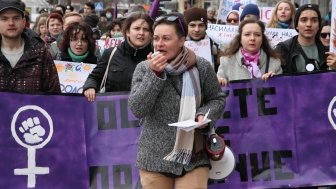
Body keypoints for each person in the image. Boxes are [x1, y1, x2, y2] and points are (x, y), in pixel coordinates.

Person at [128, 12, 226, 189]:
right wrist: (154, 75)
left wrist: (203, 115)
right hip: (154, 156)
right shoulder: (144, 68)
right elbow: (137, 109)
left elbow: (217, 99)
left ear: (182, 40)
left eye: (166, 38)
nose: (159, 44)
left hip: (193, 155)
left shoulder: (201, 66)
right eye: (156, 38)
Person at [83, 12, 153, 101]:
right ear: (127, 32)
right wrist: (90, 87)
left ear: (151, 34)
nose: (141, 33)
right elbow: (94, 77)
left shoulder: (155, 58)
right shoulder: (111, 53)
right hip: (114, 111)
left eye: (146, 29)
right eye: (137, 28)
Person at [0, 0, 60, 93]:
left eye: (16, 18)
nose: (11, 23)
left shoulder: (40, 54)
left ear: (23, 22)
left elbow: (54, 94)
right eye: (4, 19)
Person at [217, 20, 282, 86]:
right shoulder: (226, 61)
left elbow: (282, 91)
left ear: (262, 39)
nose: (252, 38)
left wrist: (275, 81)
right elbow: (217, 92)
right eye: (247, 34)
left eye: (257, 35)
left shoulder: (274, 62)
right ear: (240, 39)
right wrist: (220, 83)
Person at [275, 4, 331, 73]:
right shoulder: (284, 49)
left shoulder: (328, 52)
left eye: (314, 20)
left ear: (319, 26)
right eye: (304, 20)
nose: (309, 24)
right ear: (297, 25)